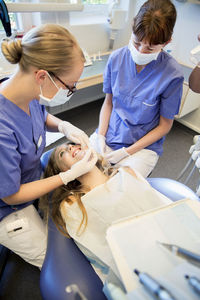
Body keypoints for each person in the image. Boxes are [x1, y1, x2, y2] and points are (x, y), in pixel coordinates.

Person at [0, 24, 97, 268]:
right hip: (7, 207)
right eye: (70, 86)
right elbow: (11, 194)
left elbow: (39, 116)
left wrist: (64, 126)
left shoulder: (26, 90)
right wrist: (67, 175)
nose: (70, 91)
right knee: (59, 263)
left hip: (31, 179)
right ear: (43, 76)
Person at [40, 142, 171, 287]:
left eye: (72, 144)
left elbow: (160, 206)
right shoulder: (73, 205)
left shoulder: (126, 173)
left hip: (167, 240)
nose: (71, 147)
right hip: (140, 266)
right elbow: (100, 251)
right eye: (62, 153)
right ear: (63, 171)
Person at [90, 0, 184, 178]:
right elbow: (108, 103)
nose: (141, 50)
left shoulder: (172, 74)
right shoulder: (116, 59)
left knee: (120, 188)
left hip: (142, 148)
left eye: (150, 48)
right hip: (109, 134)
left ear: (166, 42)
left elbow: (164, 126)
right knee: (80, 172)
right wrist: (101, 136)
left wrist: (127, 153)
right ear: (132, 29)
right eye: (136, 42)